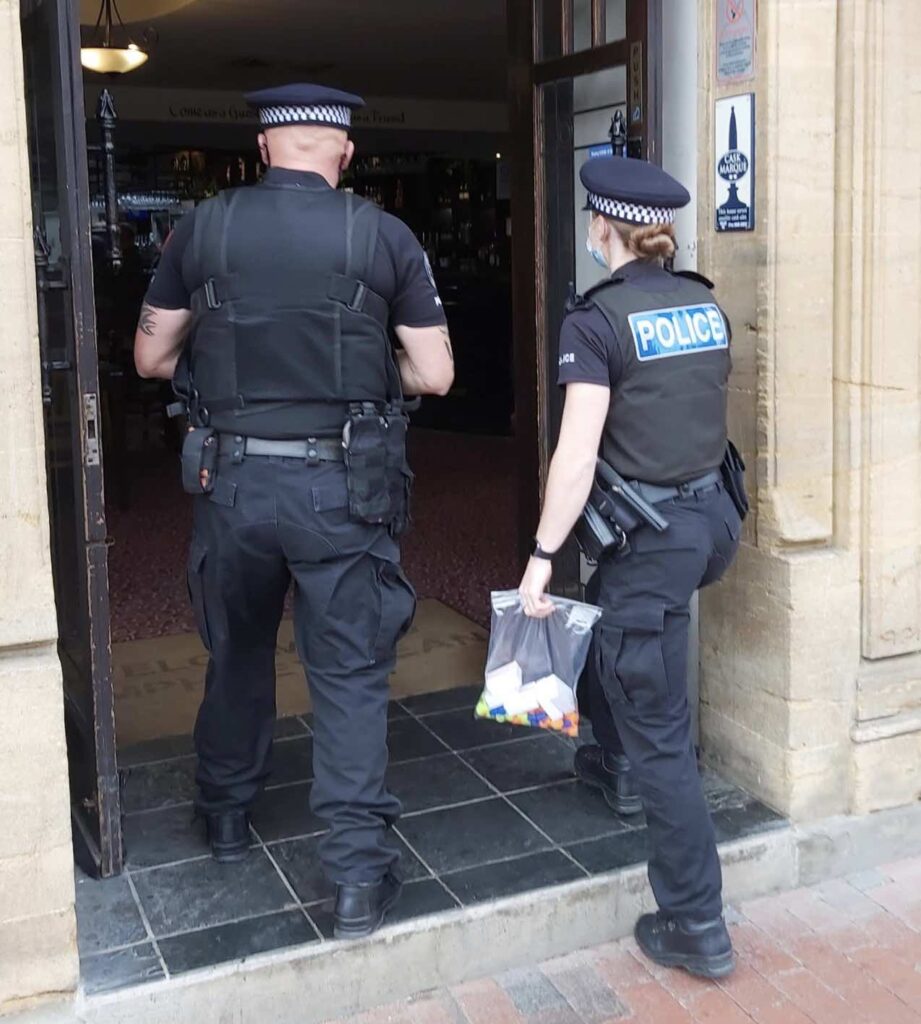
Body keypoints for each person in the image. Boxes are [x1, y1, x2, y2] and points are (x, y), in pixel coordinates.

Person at [133, 83, 454, 940]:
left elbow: (150, 358)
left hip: (232, 483)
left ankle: (226, 814)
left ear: (263, 147)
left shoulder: (202, 229)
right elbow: (434, 374)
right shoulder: (383, 235)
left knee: (236, 650)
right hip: (342, 488)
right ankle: (355, 880)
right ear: (344, 153)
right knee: (348, 674)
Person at [518, 156, 740, 979]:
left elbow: (576, 457)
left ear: (599, 227)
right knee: (613, 623)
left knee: (662, 734)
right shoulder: (703, 304)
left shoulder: (596, 321)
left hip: (650, 541)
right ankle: (607, 756)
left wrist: (541, 557)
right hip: (704, 525)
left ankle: (696, 921)